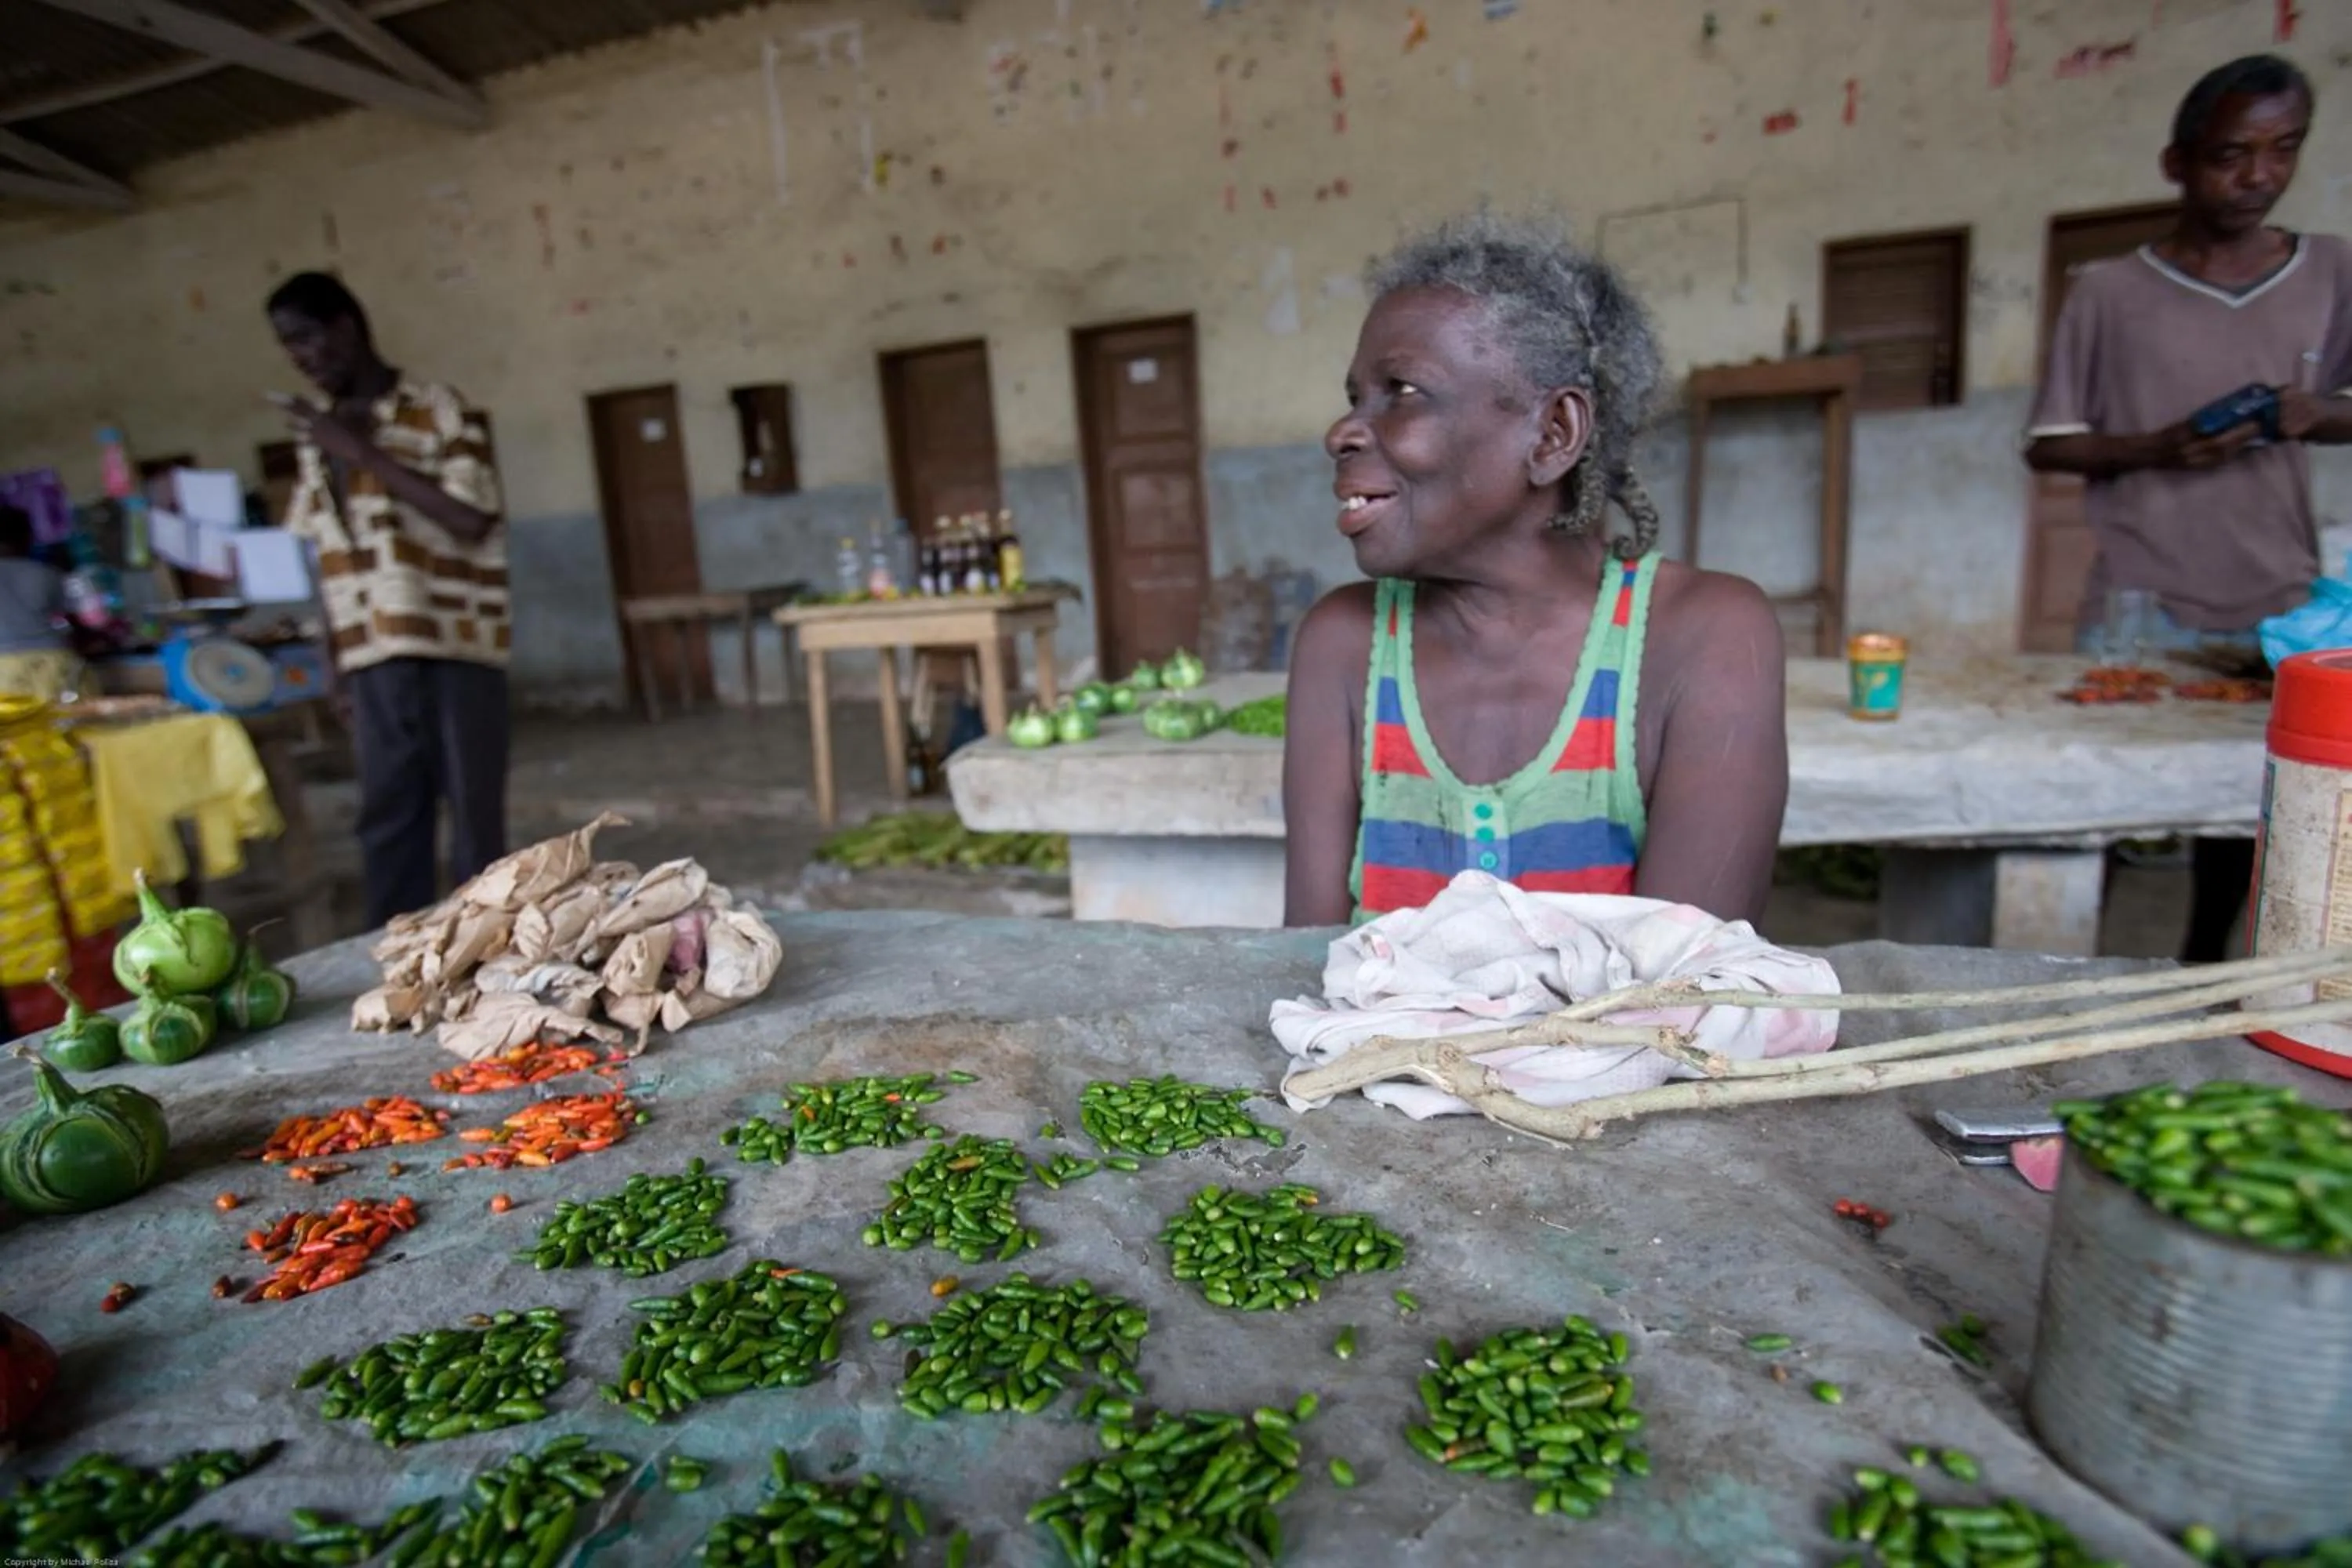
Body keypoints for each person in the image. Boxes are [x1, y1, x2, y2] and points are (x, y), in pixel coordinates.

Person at [1283, 212, 1788, 928]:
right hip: (1375, 1047)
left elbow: (1684, 990)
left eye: (1403, 390)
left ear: (1553, 435)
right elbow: (1311, 959)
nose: (1344, 432)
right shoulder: (1344, 644)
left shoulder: (1704, 639)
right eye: (1355, 398)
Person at [2024, 53, 2352, 962]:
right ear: (2178, 162)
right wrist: (2161, 445)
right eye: (2230, 155)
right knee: (2100, 811)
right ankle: (2077, 979)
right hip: (2140, 600)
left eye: (2283, 151)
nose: (2259, 176)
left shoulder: (2331, 272)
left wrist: (2321, 413)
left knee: (2252, 824)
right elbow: (2049, 440)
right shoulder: (2110, 292)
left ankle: (2212, 974)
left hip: (2281, 601)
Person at [266, 271, 511, 928]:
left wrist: (360, 452)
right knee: (388, 822)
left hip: (454, 644)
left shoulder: (436, 408)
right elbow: (326, 554)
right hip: (372, 653)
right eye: (288, 348)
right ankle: (401, 967)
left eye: (307, 340)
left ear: (346, 326)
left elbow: (472, 518)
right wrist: (333, 658)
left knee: (473, 826)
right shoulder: (318, 440)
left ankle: (487, 960)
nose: (301, 358)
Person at [0, 503, 73, 702]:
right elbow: (68, 619)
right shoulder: (47, 574)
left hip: (4, 668)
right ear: (25, 536)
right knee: (67, 726)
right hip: (52, 659)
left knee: (17, 729)